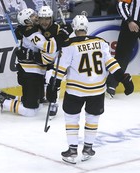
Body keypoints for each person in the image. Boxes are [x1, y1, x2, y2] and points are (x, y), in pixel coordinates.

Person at [45, 15, 134, 164]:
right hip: (97, 90)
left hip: (76, 90)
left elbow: (60, 70)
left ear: (74, 28)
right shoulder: (101, 43)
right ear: (87, 27)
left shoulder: (69, 45)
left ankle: (72, 150)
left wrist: (53, 87)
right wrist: (124, 78)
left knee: (72, 118)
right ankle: (88, 149)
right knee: (93, 118)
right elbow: (112, 64)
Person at [0, 8, 70, 117]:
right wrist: (62, 35)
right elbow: (50, 47)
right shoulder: (31, 32)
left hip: (37, 70)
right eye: (33, 16)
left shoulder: (34, 28)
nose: (36, 16)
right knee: (30, 111)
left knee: (38, 104)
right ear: (28, 21)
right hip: (30, 71)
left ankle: (5, 96)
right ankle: (2, 101)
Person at [106, 0, 140, 97]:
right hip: (132, 24)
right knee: (122, 55)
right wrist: (129, 21)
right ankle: (111, 84)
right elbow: (121, 4)